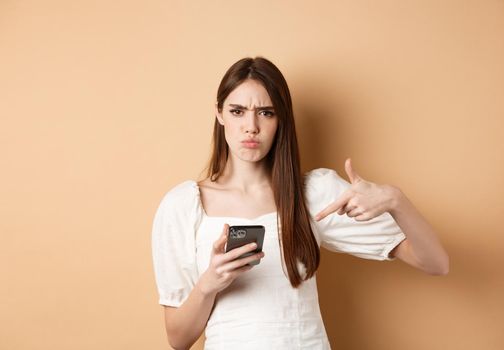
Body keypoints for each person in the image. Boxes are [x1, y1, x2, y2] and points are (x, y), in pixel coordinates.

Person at [151, 56, 449, 350]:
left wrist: (396, 200)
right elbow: (178, 339)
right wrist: (209, 283)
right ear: (219, 114)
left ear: (281, 119)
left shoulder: (314, 194)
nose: (251, 126)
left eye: (266, 113)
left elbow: (435, 263)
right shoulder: (182, 205)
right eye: (238, 111)